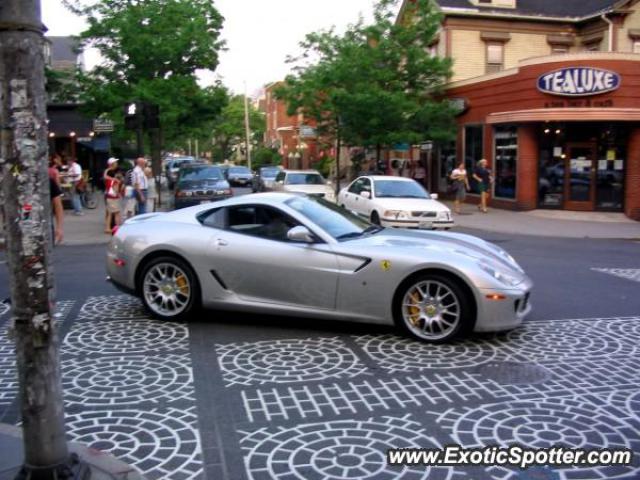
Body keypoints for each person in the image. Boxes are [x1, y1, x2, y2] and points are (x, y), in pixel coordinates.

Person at [104, 157, 122, 233]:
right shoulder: (113, 180)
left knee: (110, 213)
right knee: (116, 213)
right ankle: (115, 228)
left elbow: (105, 175)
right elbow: (116, 190)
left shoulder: (109, 177)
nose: (116, 164)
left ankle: (109, 227)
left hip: (109, 196)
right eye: (115, 163)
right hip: (113, 197)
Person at [50, 177, 64, 244]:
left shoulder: (48, 181)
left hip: (45, 226)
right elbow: (58, 205)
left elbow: (58, 205)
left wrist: (59, 227)